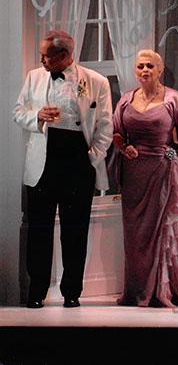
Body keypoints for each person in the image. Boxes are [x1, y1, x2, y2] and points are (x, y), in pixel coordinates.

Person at [13, 30, 113, 308]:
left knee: (75, 230)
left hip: (77, 161)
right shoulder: (34, 77)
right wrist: (37, 116)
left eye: (46, 56)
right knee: (39, 230)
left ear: (65, 55)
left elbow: (105, 126)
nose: (41, 60)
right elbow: (18, 112)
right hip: (43, 161)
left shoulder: (96, 81)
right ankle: (37, 292)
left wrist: (91, 158)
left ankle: (71, 292)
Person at [111, 49, 178, 307]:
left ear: (160, 70)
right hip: (133, 174)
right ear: (135, 70)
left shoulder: (173, 99)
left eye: (150, 66)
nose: (145, 70)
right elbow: (116, 132)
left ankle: (158, 291)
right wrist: (124, 147)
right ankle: (136, 291)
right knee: (135, 236)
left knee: (158, 231)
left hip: (162, 170)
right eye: (140, 66)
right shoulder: (126, 100)